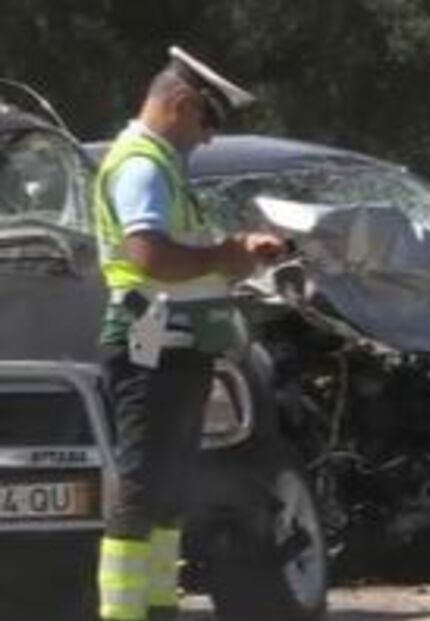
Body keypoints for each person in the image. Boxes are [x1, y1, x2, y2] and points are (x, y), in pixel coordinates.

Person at [94, 46, 285, 621]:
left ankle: (157, 609)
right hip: (149, 341)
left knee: (168, 492)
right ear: (180, 104)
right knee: (142, 487)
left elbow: (187, 256)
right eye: (208, 120)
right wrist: (225, 256)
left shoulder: (164, 167)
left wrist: (236, 253)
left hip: (177, 346)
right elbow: (149, 255)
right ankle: (125, 613)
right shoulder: (143, 165)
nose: (207, 137)